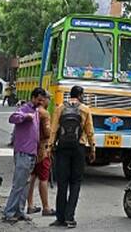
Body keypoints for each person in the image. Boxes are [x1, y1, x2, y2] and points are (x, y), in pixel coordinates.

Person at [48, 85, 95, 228]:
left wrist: (50, 147)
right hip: (78, 148)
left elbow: (54, 129)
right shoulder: (85, 110)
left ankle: (60, 218)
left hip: (62, 148)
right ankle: (70, 217)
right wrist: (92, 148)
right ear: (80, 95)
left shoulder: (60, 108)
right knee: (75, 182)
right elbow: (89, 131)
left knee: (62, 183)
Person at [3, 87, 47, 223]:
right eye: (38, 100)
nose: (40, 103)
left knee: (26, 184)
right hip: (23, 152)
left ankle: (20, 211)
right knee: (18, 184)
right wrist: (25, 117)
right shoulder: (25, 109)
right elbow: (12, 118)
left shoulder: (37, 112)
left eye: (42, 100)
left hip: (32, 153)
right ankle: (9, 212)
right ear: (33, 98)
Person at [27, 91, 54, 216]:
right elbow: (48, 133)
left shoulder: (31, 110)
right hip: (42, 149)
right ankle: (46, 207)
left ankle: (30, 205)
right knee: (43, 178)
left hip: (31, 149)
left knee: (31, 178)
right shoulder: (44, 113)